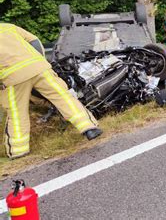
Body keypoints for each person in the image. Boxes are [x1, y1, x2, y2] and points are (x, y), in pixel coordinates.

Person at [0, 23, 102, 159]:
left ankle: (18, 150)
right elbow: (34, 41)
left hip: (12, 77)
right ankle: (88, 128)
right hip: (39, 68)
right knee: (63, 97)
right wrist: (41, 60)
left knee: (17, 113)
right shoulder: (7, 27)